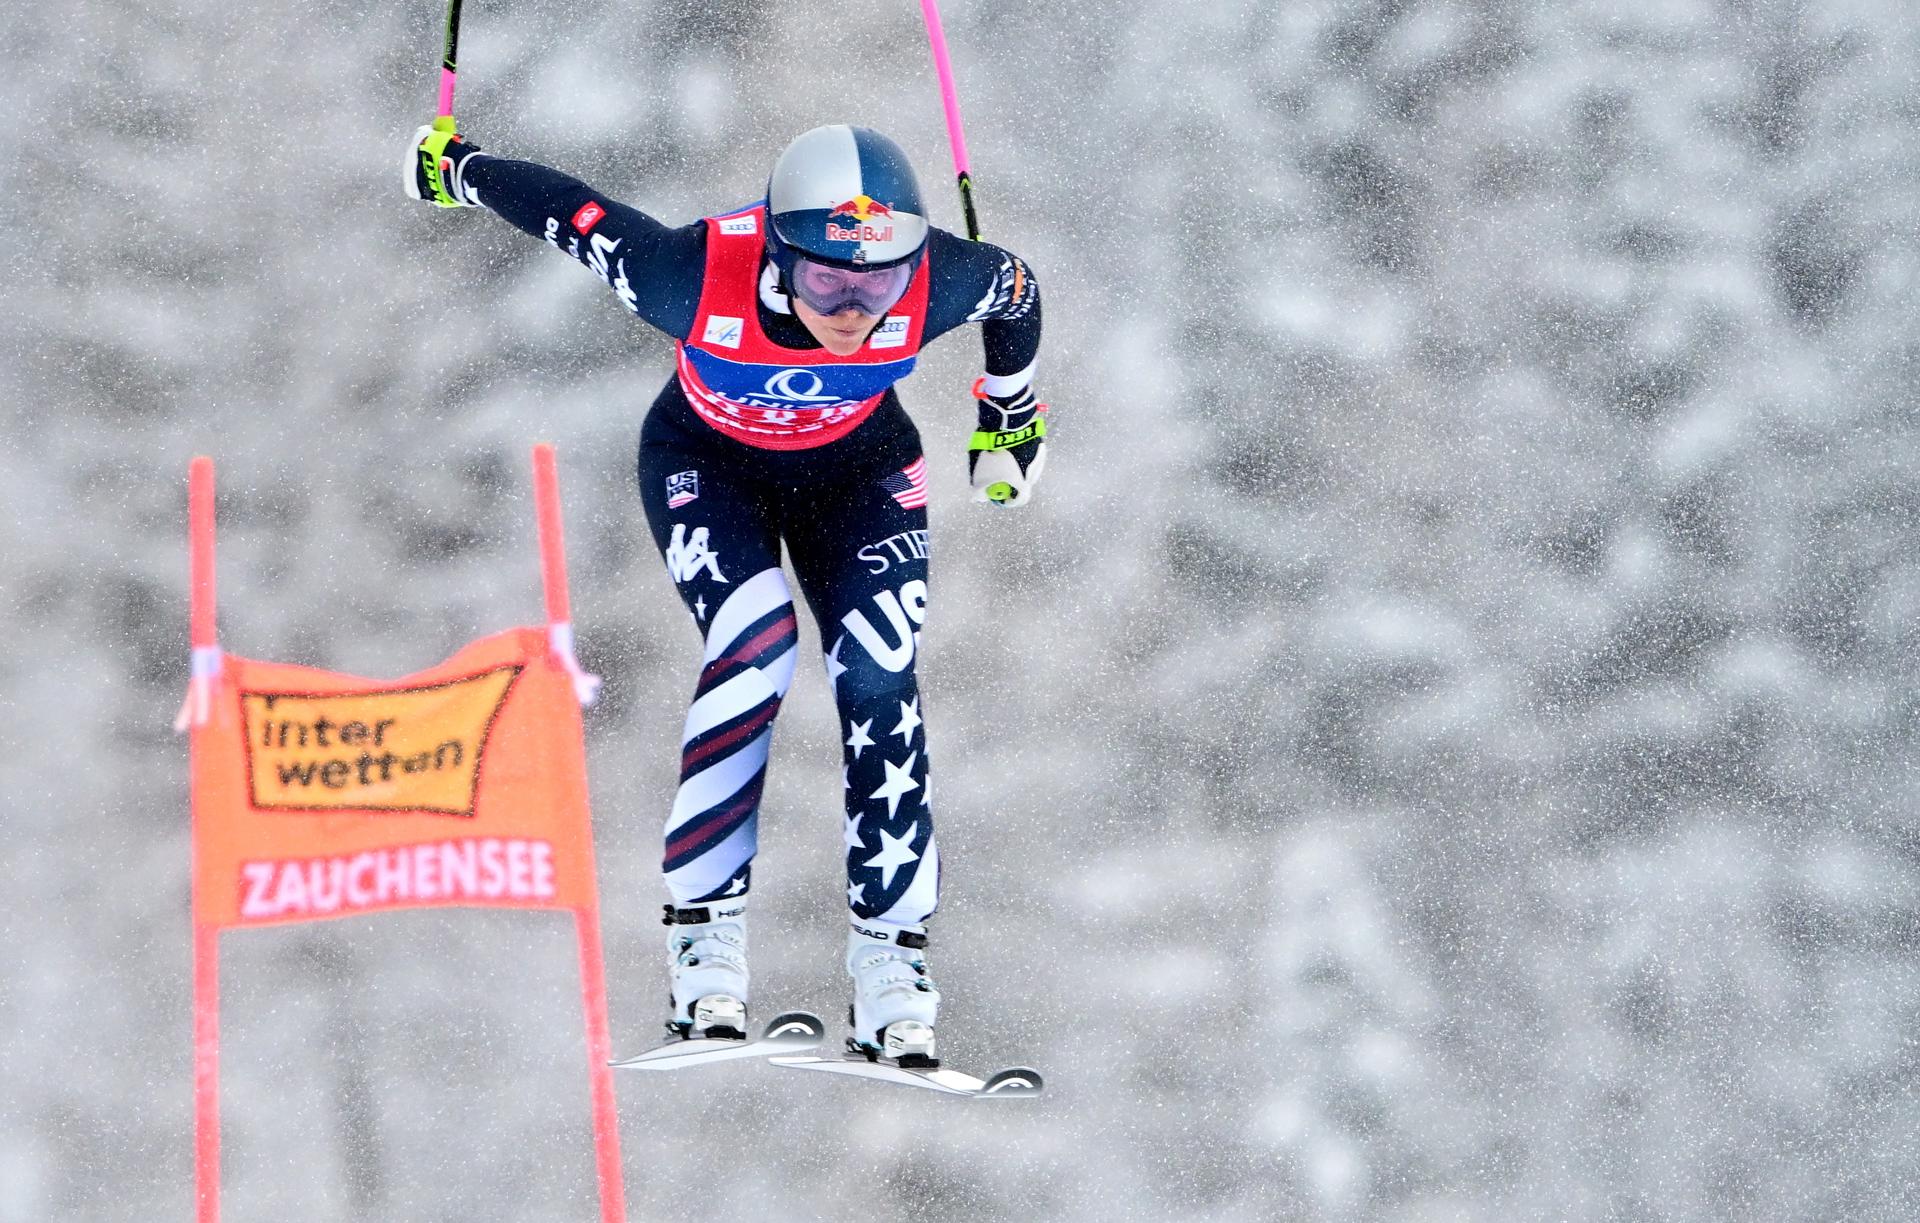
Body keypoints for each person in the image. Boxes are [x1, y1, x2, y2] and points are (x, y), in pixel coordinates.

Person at [405, 119, 1046, 1067]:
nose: (853, 306)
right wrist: (454, 167)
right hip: (708, 465)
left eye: (876, 282)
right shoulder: (689, 275)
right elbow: (564, 210)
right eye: (827, 278)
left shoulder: (935, 280)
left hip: (860, 473)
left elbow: (1017, 291)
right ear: (782, 253)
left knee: (879, 669)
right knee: (756, 648)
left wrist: (1009, 413)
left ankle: (893, 966)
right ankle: (705, 947)